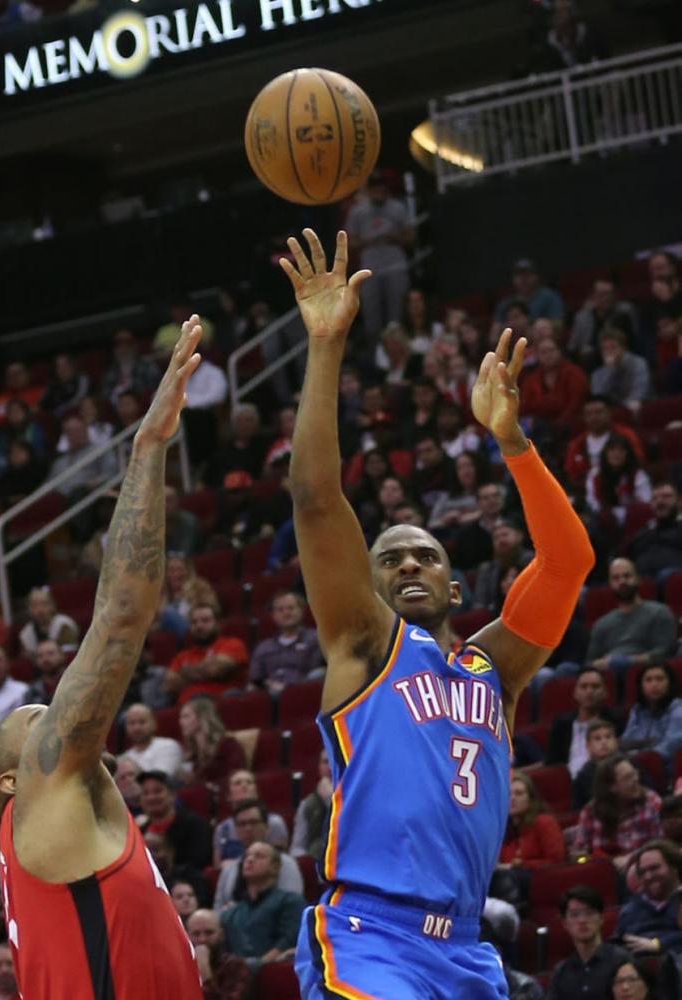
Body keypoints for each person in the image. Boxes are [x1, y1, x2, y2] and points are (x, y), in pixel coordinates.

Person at [279, 228, 593, 999]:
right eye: (389, 559)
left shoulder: (496, 668)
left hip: (463, 950)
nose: (409, 564)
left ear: (456, 587)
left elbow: (567, 564)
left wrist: (513, 443)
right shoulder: (362, 646)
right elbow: (316, 501)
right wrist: (325, 346)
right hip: (369, 937)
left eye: (425, 556)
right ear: (370, 587)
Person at [0, 320, 204, 998]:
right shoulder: (42, 803)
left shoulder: (60, 839)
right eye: (36, 717)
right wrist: (148, 447)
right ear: (17, 781)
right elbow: (124, 614)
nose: (57, 710)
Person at [344, 171, 413, 345]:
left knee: (396, 317)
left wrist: (394, 237)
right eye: (374, 189)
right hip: (369, 269)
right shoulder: (358, 211)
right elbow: (350, 243)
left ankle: (400, 352)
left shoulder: (397, 207)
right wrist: (369, 241)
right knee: (372, 318)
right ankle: (378, 357)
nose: (378, 192)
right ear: (369, 190)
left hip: (395, 265)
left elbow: (410, 236)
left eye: (381, 189)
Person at [586, 559, 678, 680]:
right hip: (609, 681)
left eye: (627, 576)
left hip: (648, 677)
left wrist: (629, 661)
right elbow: (589, 663)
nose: (622, 581)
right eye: (616, 578)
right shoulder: (601, 624)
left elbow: (666, 651)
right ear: (610, 584)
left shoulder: (659, 612)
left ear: (638, 579)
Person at [219, 842, 305, 963]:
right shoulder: (230, 913)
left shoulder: (290, 901)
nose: (249, 860)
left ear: (275, 866)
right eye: (247, 856)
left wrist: (256, 966)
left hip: (272, 972)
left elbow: (288, 941)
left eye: (259, 856)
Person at [573, 754, 662, 869]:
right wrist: (601, 862)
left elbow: (663, 846)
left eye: (635, 773)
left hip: (645, 869)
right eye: (627, 778)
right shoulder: (590, 812)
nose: (636, 779)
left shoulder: (651, 802)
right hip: (606, 873)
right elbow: (578, 859)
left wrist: (632, 858)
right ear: (611, 787)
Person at [213, 800, 303, 910]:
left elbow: (292, 905)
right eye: (242, 824)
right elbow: (218, 910)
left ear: (267, 827)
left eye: (254, 822)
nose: (248, 828)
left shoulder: (286, 863)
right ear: (236, 830)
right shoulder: (229, 871)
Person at [546, 885, 630, 1000]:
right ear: (565, 924)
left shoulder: (621, 961)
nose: (582, 920)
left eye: (589, 913)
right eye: (574, 915)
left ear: (601, 919)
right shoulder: (561, 973)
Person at [164, 607, 248, 706]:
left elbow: (215, 669)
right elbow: (169, 685)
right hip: (186, 710)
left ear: (218, 623)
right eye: (194, 622)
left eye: (205, 620)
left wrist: (184, 672)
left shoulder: (232, 644)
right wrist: (205, 670)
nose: (199, 626)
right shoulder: (182, 656)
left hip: (220, 705)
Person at [614, 840, 682, 956]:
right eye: (643, 872)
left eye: (654, 868)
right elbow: (616, 943)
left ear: (674, 867)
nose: (648, 876)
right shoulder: (630, 910)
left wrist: (659, 944)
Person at [248, 591, 323, 696]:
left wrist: (288, 687)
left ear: (301, 610)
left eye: (291, 608)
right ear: (273, 615)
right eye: (280, 610)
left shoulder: (315, 639)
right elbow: (255, 679)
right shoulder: (264, 647)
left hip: (302, 693)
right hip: (269, 694)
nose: (286, 613)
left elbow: (318, 673)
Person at [136, 769, 213, 871]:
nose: (151, 797)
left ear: (172, 795)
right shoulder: (139, 833)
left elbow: (198, 864)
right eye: (145, 793)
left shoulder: (194, 825)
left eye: (157, 791)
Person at [565, 396, 645, 489]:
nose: (594, 417)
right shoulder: (577, 444)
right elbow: (571, 473)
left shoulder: (626, 435)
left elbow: (638, 461)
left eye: (598, 412)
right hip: (587, 490)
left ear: (609, 412)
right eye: (589, 414)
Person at [213, 774, 289, 866]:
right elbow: (217, 867)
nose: (244, 785)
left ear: (256, 792)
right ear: (228, 795)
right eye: (237, 783)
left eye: (249, 782)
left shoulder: (274, 822)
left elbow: (280, 861)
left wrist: (236, 865)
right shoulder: (222, 828)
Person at [497, 772, 565, 872]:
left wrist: (522, 865)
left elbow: (557, 861)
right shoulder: (502, 829)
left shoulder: (545, 823)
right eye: (508, 794)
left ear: (530, 798)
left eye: (519, 793)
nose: (512, 798)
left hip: (541, 879)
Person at [569, 277, 639, 370]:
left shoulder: (625, 312)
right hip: (590, 361)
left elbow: (634, 340)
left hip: (619, 358)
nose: (606, 298)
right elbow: (572, 347)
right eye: (602, 294)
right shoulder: (582, 317)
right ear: (593, 296)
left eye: (609, 294)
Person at [519, 337, 589, 429]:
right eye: (543, 352)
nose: (548, 355)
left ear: (560, 352)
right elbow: (525, 407)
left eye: (551, 350)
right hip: (537, 424)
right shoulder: (532, 379)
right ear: (538, 356)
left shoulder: (574, 374)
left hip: (569, 424)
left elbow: (575, 405)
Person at [585, 434, 652, 527]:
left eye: (621, 450)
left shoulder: (638, 475)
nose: (616, 454)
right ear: (606, 453)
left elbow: (645, 500)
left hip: (631, 518)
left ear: (627, 453)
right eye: (612, 450)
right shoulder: (595, 474)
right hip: (603, 520)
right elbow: (591, 501)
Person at [620, 663, 682, 762]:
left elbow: (669, 746)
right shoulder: (637, 710)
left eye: (660, 679)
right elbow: (625, 742)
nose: (654, 684)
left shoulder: (678, 709)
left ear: (670, 683)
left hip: (662, 766)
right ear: (641, 686)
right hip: (631, 761)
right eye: (648, 680)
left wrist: (637, 756)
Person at [186, 909, 252, 1000]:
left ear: (221, 935)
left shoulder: (236, 966)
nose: (202, 940)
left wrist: (205, 974)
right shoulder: (181, 967)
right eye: (196, 934)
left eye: (209, 933)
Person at [178, 698, 245, 786]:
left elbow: (236, 775)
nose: (181, 722)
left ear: (203, 717)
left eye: (186, 716)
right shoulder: (191, 753)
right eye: (180, 717)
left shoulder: (227, 744)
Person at [473, 519, 534, 615]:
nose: (501, 540)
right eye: (496, 538)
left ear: (519, 536)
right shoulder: (487, 569)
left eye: (505, 535)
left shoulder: (533, 562)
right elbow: (479, 604)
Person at [628, 482, 682, 580]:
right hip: (640, 584)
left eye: (666, 496)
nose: (660, 501)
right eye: (654, 498)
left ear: (679, 501)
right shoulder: (642, 534)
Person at [494, 258, 565, 329]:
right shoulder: (506, 303)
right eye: (519, 275)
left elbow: (558, 326)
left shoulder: (549, 297)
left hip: (538, 337)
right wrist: (511, 325)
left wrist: (529, 322)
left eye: (528, 274)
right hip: (513, 338)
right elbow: (494, 334)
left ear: (536, 276)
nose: (523, 279)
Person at [591, 328, 651, 408]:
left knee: (635, 405)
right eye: (605, 349)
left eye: (613, 347)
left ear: (623, 348)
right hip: (611, 411)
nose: (609, 352)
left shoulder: (639, 363)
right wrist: (610, 371)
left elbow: (640, 393)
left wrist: (622, 409)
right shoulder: (597, 373)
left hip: (636, 406)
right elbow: (599, 398)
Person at [290, 750, 333, 862]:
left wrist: (329, 798)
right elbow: (297, 847)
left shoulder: (361, 796)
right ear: (319, 767)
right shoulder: (307, 804)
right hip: (318, 864)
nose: (330, 767)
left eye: (335, 760)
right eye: (326, 762)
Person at [121, 703, 183, 779]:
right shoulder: (123, 757)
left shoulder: (169, 746)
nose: (136, 728)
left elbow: (160, 779)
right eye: (132, 723)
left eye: (142, 722)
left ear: (154, 724)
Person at [100, 329, 160, 407]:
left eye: (127, 344)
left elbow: (156, 389)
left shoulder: (147, 366)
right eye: (119, 345)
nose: (123, 349)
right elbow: (104, 396)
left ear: (135, 346)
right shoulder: (110, 372)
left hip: (144, 408)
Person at [18, 587, 79, 659]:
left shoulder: (63, 625)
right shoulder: (26, 633)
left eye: (44, 604)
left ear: (52, 605)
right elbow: (26, 658)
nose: (39, 609)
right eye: (34, 605)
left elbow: (70, 654)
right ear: (29, 609)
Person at [572, 720, 621, 809]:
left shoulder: (631, 764)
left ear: (616, 742)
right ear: (588, 746)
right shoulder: (583, 776)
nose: (604, 742)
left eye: (608, 737)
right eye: (597, 738)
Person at [0, 362, 43, 426]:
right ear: (6, 380)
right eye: (10, 375)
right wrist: (9, 416)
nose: (15, 377)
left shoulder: (41, 392)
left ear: (27, 374)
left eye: (19, 373)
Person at [40, 353, 91, 417]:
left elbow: (80, 398)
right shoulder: (51, 386)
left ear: (72, 365)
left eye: (66, 364)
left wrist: (63, 409)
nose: (63, 369)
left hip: (78, 414)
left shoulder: (82, 379)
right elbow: (43, 405)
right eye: (59, 366)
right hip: (57, 419)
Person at [22, 638, 67, 706]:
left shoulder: (75, 682)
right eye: (40, 656)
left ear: (62, 656)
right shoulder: (32, 691)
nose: (45, 659)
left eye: (50, 653)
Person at [165, 485, 199, 556]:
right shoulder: (151, 523)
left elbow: (185, 550)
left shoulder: (189, 521)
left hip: (183, 562)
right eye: (161, 500)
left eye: (169, 500)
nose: (165, 504)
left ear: (177, 501)